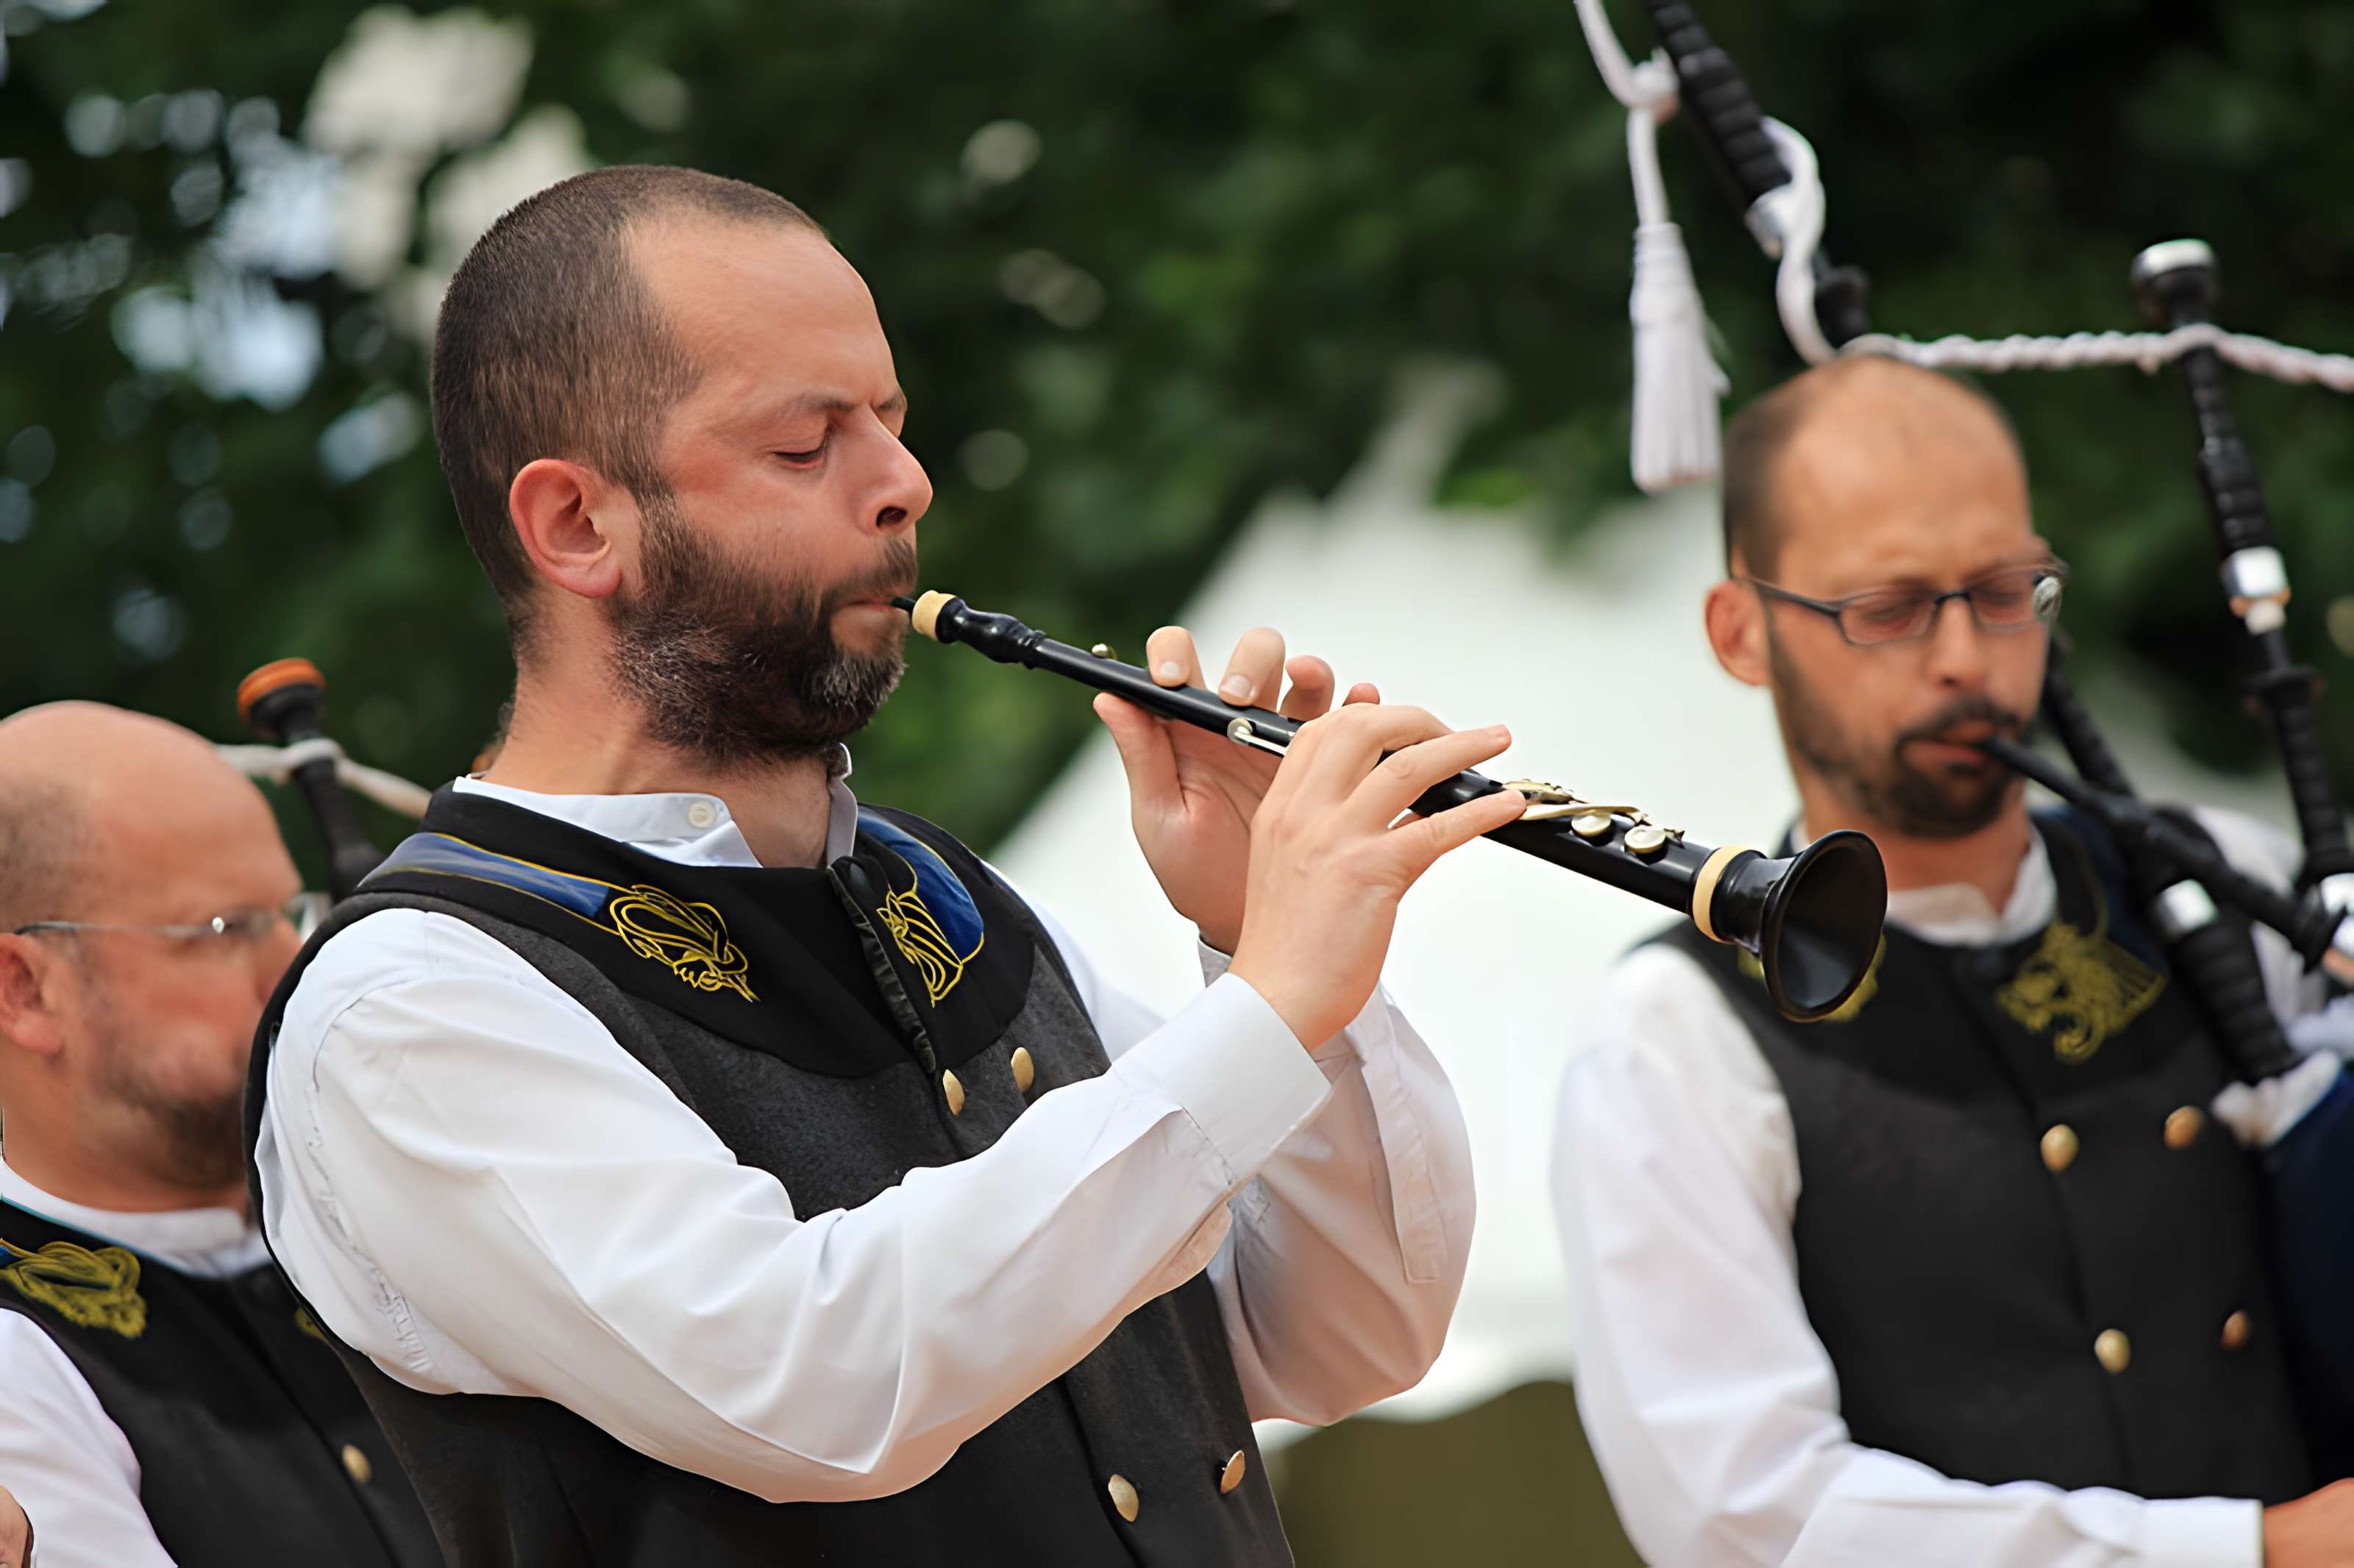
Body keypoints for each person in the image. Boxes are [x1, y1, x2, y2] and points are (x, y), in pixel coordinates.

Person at [246, 165, 1520, 1568]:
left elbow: (1345, 1336)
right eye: (807, 445)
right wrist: (1268, 1005)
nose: (905, 484)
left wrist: (1259, 954)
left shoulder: (944, 891)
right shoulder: (411, 1004)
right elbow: (815, 1384)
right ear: (576, 527)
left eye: (891, 422)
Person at [1551, 355, 2354, 1567]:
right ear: (1743, 631)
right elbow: (1749, 1514)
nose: (1965, 659)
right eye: (1886, 606)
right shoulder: (1674, 1035)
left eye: (2003, 589)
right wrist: (2265, 1548)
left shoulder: (2219, 883)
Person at [0, 704, 440, 1567]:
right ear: (25, 990)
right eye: (225, 929)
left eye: (291, 911)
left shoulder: (402, 1200)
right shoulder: (15, 1352)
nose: (300, 961)